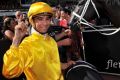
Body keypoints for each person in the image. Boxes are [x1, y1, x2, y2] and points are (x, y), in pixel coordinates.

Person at [2, 2, 64, 80]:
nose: (45, 23)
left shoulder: (51, 40)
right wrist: (16, 40)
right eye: (40, 19)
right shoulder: (28, 44)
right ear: (32, 21)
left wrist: (66, 64)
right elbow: (9, 71)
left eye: (47, 18)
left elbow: (53, 65)